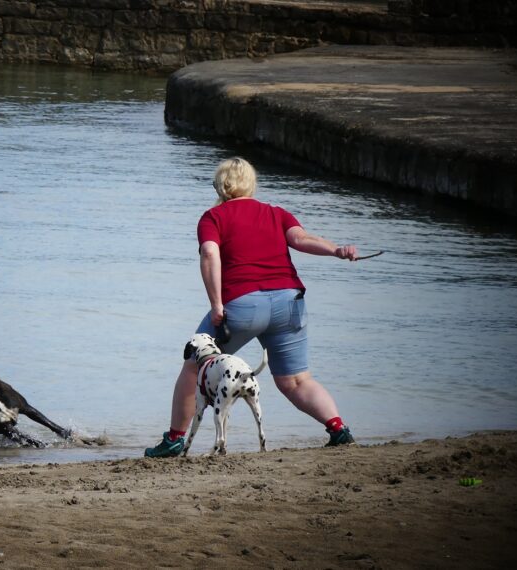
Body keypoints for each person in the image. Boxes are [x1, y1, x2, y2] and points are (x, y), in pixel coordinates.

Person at [145, 157, 358, 458]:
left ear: (219, 186)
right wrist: (337, 250)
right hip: (289, 302)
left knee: (194, 366)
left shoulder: (213, 217)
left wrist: (217, 304)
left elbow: (209, 253)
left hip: (243, 306)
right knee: (296, 380)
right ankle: (338, 430)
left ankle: (175, 440)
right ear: (251, 185)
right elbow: (302, 239)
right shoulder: (276, 213)